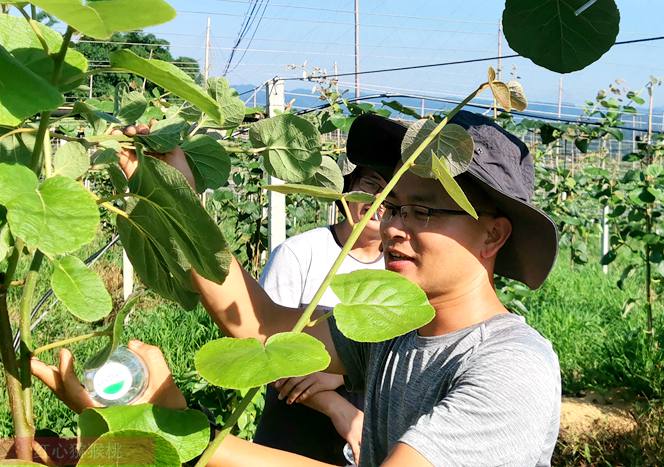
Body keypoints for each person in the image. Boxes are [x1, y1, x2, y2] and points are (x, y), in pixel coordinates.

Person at [32, 110, 562, 466]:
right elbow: (259, 326)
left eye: (424, 210)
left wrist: (167, 427)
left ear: (493, 233)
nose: (394, 227)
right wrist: (180, 204)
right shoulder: (397, 329)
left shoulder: (509, 368)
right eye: (394, 206)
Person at [254, 162, 386, 463]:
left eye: (389, 191)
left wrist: (341, 375)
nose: (377, 199)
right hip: (294, 425)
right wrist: (339, 409)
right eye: (370, 184)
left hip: (363, 434)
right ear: (348, 187)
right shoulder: (300, 253)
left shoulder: (397, 270)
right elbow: (264, 347)